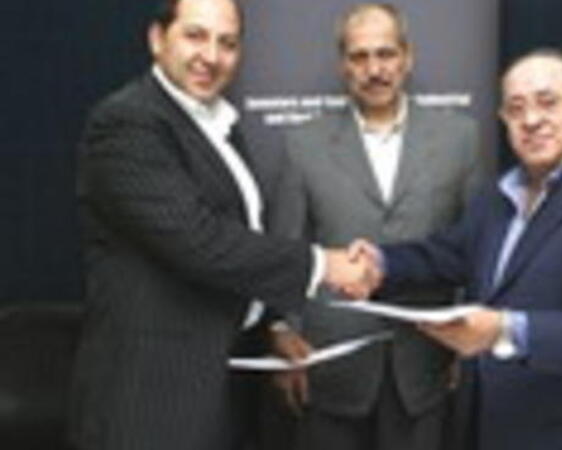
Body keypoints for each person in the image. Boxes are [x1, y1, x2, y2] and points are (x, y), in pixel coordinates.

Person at [68, 1, 369, 449]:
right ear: (157, 39)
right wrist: (323, 264)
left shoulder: (218, 124)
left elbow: (242, 236)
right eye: (195, 36)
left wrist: (273, 328)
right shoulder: (127, 123)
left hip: (221, 385)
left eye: (227, 43)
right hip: (151, 402)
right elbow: (200, 241)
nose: (211, 56)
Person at [350, 48, 562, 450]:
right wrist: (380, 263)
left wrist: (505, 331)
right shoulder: (498, 195)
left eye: (548, 102)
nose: (531, 120)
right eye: (516, 108)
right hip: (497, 426)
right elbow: (446, 256)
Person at [266, 4, 486, 450]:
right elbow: (284, 250)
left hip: (424, 366)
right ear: (343, 65)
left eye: (386, 54)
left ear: (407, 57)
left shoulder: (459, 139)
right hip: (330, 368)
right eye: (360, 57)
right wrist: (282, 333)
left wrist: (469, 340)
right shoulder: (302, 145)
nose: (374, 69)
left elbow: (476, 248)